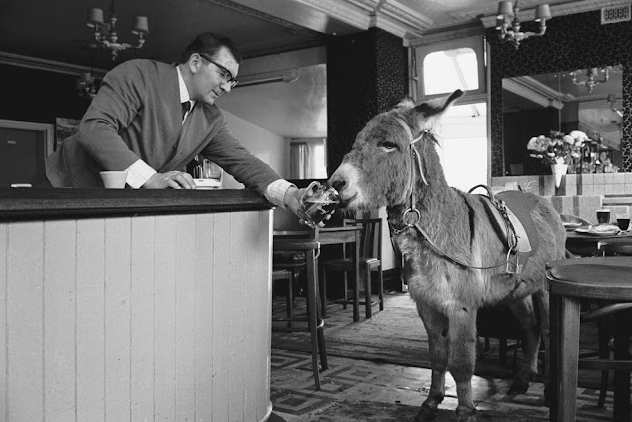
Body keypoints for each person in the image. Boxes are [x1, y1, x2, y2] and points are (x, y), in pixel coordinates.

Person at [43, 31, 309, 219]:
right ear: (195, 62)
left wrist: (290, 194)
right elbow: (95, 128)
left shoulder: (211, 119)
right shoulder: (137, 74)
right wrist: (150, 178)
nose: (227, 87)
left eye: (233, 81)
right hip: (59, 191)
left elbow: (242, 161)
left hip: (116, 208)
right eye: (224, 74)